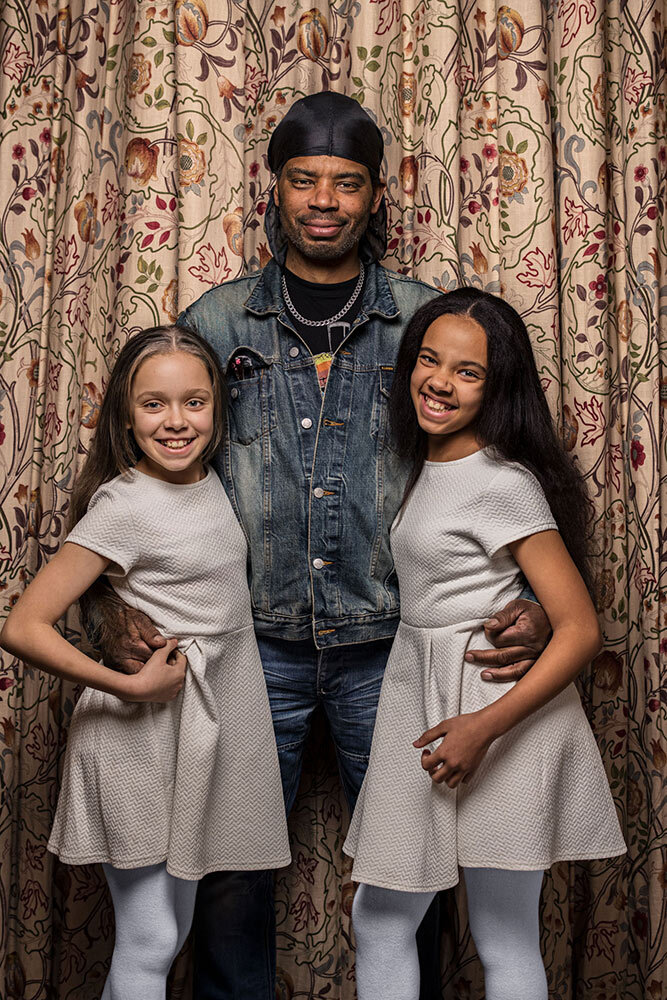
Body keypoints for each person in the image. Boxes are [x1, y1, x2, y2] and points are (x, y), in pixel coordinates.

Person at [92, 93, 552, 1000]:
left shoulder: (425, 323)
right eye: (305, 180)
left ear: (379, 194)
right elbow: (133, 477)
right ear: (276, 186)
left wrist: (537, 600)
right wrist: (107, 605)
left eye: (347, 184)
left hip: (393, 643)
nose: (324, 201)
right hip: (243, 644)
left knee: (415, 869)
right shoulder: (218, 323)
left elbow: (512, 458)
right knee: (226, 868)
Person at [344, 289, 626, 1000]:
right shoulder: (427, 464)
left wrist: (481, 728)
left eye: (467, 371)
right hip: (426, 699)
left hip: (497, 713)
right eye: (428, 360)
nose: (439, 380)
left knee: (498, 934)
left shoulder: (501, 482)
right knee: (383, 915)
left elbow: (581, 629)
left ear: (498, 386)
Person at [0, 326, 291, 1000]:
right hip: (137, 738)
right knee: (152, 938)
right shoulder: (123, 503)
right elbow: (23, 625)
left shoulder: (213, 484)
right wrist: (126, 684)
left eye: (193, 401)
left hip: (200, 734)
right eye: (153, 404)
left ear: (217, 408)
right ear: (126, 417)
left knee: (167, 933)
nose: (176, 421)